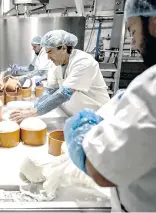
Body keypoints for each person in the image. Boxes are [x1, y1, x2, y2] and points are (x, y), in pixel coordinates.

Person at [63, 0, 156, 211]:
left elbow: (103, 171)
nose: (132, 43)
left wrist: (82, 134)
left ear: (154, 24)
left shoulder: (151, 88)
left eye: (132, 32)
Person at [10, 30, 110, 124]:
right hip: (76, 116)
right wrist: (34, 108)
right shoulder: (56, 65)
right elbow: (50, 91)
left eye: (50, 52)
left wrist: (34, 112)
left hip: (98, 117)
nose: (48, 57)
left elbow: (65, 93)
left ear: (63, 48)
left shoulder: (83, 62)